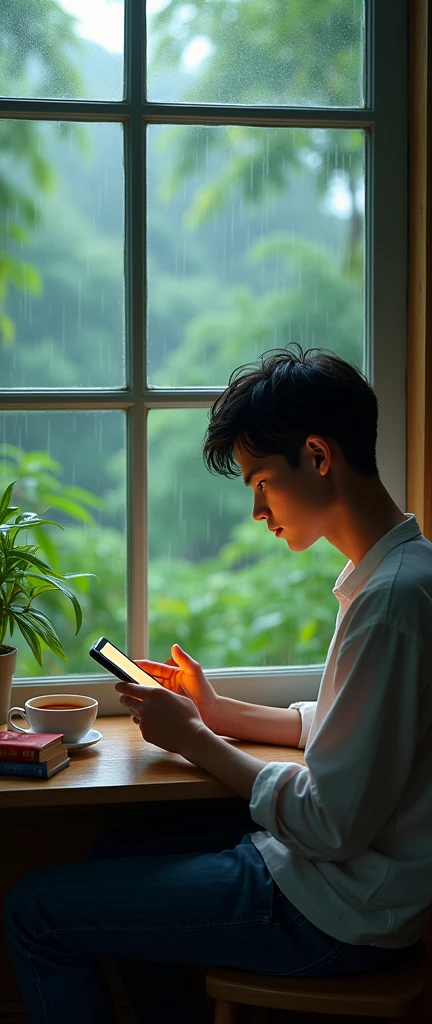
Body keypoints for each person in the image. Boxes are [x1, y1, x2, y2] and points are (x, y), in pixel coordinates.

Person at [4, 345, 432, 1024]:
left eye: (261, 481)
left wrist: (198, 741)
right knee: (116, 848)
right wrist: (215, 709)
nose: (258, 512)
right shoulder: (398, 576)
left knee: (33, 913)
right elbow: (337, 728)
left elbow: (331, 822)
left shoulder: (392, 604)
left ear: (318, 457)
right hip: (333, 879)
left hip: (335, 909)